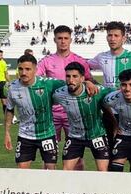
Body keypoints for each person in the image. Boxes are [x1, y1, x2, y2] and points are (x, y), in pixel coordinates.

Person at [88, 21, 131, 172]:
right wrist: (89, 81)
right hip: (108, 109)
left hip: (130, 109)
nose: (112, 38)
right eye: (109, 35)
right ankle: (119, 182)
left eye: (116, 35)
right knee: (112, 147)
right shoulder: (101, 57)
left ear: (123, 38)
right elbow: (85, 67)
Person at [37, 25, 92, 170]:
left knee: (77, 155)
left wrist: (88, 82)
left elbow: (90, 81)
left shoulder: (79, 61)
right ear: (54, 39)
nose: (63, 41)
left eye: (66, 38)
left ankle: (76, 189)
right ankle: (50, 188)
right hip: (51, 113)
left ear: (71, 40)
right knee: (48, 154)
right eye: (60, 38)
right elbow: (36, 81)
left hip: (73, 113)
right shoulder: (46, 61)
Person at [4, 54, 64, 169]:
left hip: (47, 134)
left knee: (50, 170)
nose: (23, 73)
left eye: (28, 69)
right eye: (20, 69)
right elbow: (10, 110)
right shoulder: (12, 88)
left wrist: (87, 83)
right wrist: (7, 133)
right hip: (25, 135)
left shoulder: (48, 84)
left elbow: (72, 84)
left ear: (35, 70)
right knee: (21, 171)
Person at [53, 62, 113, 171]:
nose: (71, 80)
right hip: (75, 137)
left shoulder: (96, 91)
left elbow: (119, 93)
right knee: (65, 171)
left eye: (75, 76)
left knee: (103, 172)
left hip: (97, 135)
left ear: (82, 78)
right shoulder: (59, 94)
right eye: (68, 76)